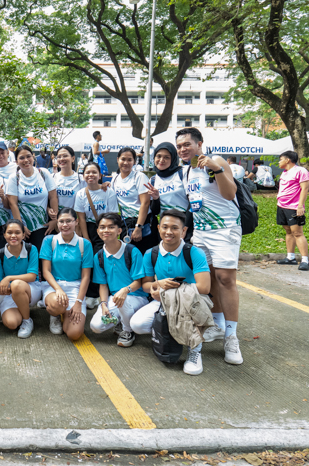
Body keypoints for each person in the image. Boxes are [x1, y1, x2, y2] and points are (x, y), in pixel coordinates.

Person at [176, 127, 243, 365]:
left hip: (225, 228)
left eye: (187, 144)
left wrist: (216, 168)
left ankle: (232, 337)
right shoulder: (187, 172)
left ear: (199, 143)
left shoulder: (215, 161)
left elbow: (229, 193)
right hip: (202, 232)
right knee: (209, 276)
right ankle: (217, 323)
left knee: (226, 278)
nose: (183, 149)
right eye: (180, 146)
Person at [130, 210, 211, 375]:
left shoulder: (194, 252)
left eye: (174, 228)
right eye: (165, 227)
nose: (168, 232)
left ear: (183, 231)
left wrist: (169, 292)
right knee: (136, 325)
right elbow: (146, 286)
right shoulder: (151, 253)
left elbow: (204, 288)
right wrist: (157, 284)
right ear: (159, 228)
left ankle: (195, 349)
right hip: (161, 302)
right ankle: (171, 333)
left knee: (188, 309)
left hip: (190, 302)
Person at [89, 213, 148, 348]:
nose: (106, 230)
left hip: (136, 297)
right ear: (98, 231)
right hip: (115, 298)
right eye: (102, 227)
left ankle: (127, 331)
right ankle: (122, 320)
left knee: (124, 299)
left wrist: (125, 290)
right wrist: (103, 304)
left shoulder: (132, 251)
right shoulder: (99, 256)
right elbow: (103, 285)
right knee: (96, 326)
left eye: (111, 227)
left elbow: (138, 281)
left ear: (119, 231)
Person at [39, 208, 93, 340]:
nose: (64, 225)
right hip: (53, 287)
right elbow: (46, 271)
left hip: (75, 287)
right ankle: (55, 314)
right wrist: (58, 289)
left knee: (74, 334)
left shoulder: (84, 244)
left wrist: (79, 302)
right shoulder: (49, 240)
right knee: (57, 304)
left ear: (76, 222)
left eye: (68, 221)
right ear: (57, 223)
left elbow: (86, 276)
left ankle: (65, 311)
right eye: (61, 221)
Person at [75, 162, 119, 305]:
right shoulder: (81, 194)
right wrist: (86, 238)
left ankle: (105, 292)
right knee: (90, 260)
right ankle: (92, 294)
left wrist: (106, 232)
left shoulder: (108, 192)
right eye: (87, 173)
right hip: (88, 229)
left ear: (100, 175)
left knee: (101, 260)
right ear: (83, 176)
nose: (90, 175)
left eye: (94, 172)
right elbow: (81, 217)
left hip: (105, 228)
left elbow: (112, 214)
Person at [0, 219, 42, 338]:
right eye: (9, 232)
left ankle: (27, 320)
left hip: (30, 289)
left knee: (17, 285)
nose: (13, 236)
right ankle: (15, 309)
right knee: (12, 323)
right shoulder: (0, 254)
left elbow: (32, 276)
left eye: (18, 232)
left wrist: (9, 278)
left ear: (23, 235)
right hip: (9, 292)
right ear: (4, 235)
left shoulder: (31, 249)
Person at [6, 145, 59, 250]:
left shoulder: (43, 173)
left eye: (28, 156)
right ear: (16, 161)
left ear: (33, 156)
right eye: (21, 158)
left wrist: (54, 220)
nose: (26, 160)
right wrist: (20, 227)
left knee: (43, 259)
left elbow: (53, 197)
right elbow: (13, 204)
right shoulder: (14, 178)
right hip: (25, 229)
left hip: (44, 226)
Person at [143, 142, 193, 243]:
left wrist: (185, 227)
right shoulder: (153, 180)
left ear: (173, 158)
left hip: (183, 222)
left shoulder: (182, 173)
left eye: (166, 157)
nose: (161, 160)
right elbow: (155, 211)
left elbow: (192, 202)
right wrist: (156, 198)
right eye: (159, 156)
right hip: (165, 225)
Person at [111, 147, 155, 254]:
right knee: (127, 257)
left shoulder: (139, 177)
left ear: (134, 162)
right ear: (117, 160)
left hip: (141, 223)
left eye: (129, 160)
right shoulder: (115, 179)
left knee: (143, 257)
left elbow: (145, 203)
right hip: (126, 224)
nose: (126, 162)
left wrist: (139, 227)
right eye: (123, 159)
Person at [275, 150, 309, 270]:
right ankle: (290, 257)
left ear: (287, 160)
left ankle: (305, 260)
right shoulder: (285, 172)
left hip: (294, 207)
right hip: (282, 206)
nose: (279, 162)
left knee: (298, 233)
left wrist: (300, 206)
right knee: (288, 231)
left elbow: (304, 189)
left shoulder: (300, 171)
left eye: (280, 159)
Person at [53, 146, 87, 212]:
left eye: (65, 156)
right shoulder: (52, 178)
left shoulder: (81, 179)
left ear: (73, 158)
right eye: (59, 157)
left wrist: (104, 185)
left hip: (74, 219)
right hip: (57, 220)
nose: (62, 159)